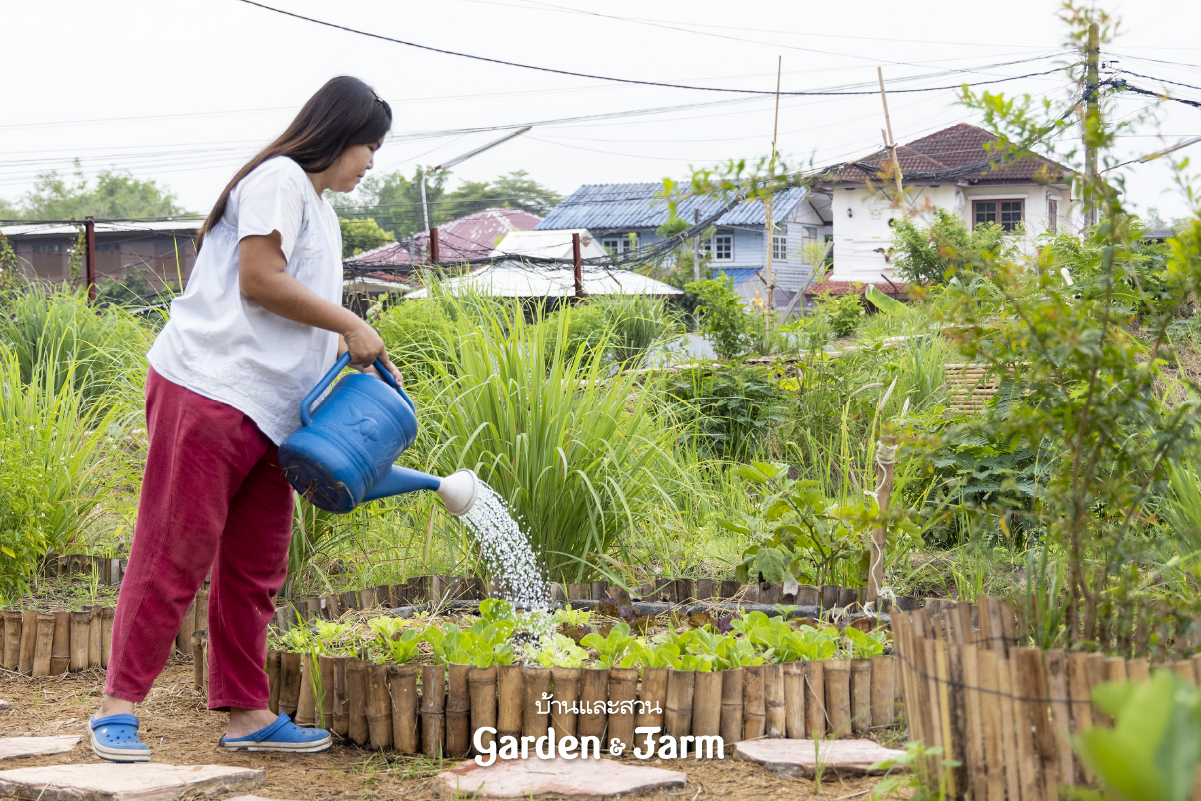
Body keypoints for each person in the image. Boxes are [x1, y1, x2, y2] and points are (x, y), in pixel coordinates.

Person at [88, 76, 400, 762]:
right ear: (337, 136)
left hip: (273, 411)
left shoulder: (319, 206)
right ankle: (117, 705)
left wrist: (358, 359)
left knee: (255, 564)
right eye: (368, 147)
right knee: (175, 547)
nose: (371, 163)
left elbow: (298, 312)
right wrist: (353, 322)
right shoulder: (280, 179)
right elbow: (260, 280)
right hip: (210, 389)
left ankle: (245, 712)